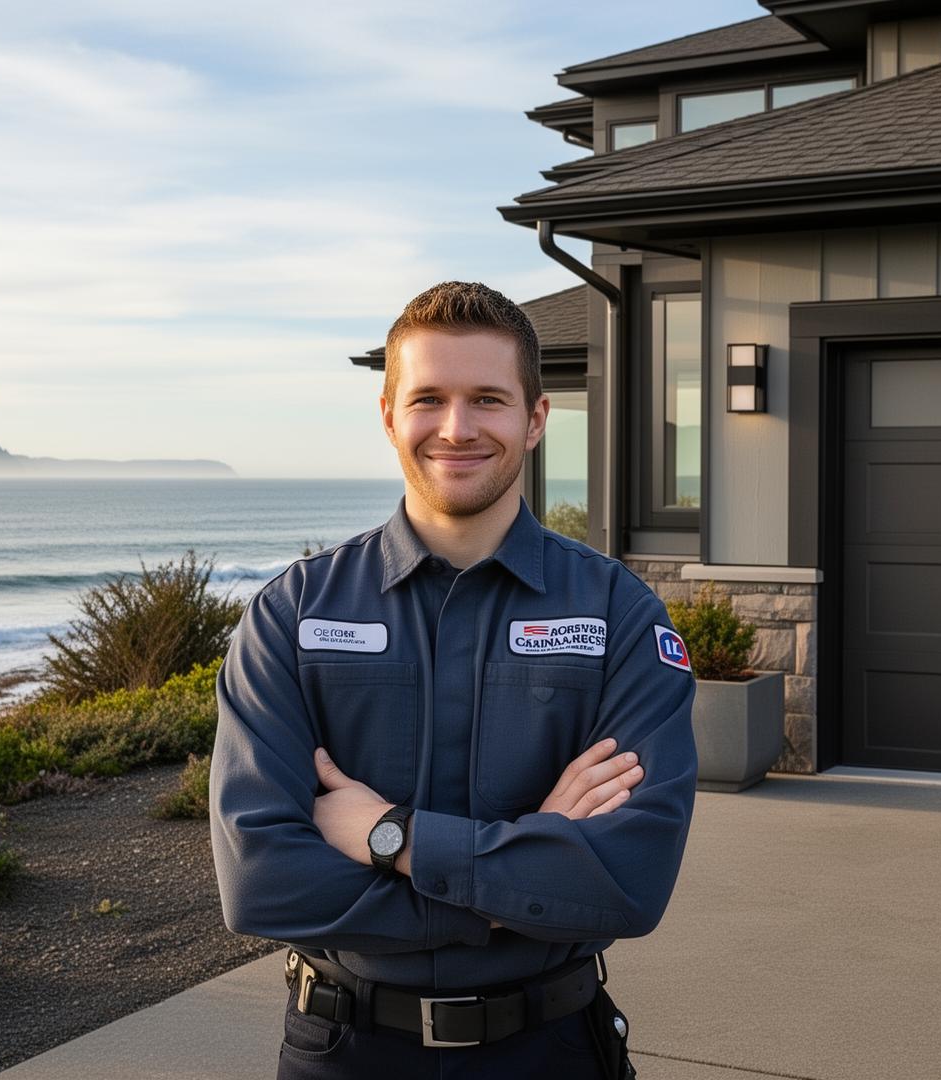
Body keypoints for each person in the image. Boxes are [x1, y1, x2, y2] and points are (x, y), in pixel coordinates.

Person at [209, 280, 698, 1078]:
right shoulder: (293, 614)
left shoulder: (618, 615)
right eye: (429, 399)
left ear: (535, 419)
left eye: (488, 400)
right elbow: (263, 883)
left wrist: (390, 837)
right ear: (388, 416)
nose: (457, 428)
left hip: (551, 1054)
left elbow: (628, 882)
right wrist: (524, 882)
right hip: (344, 1055)